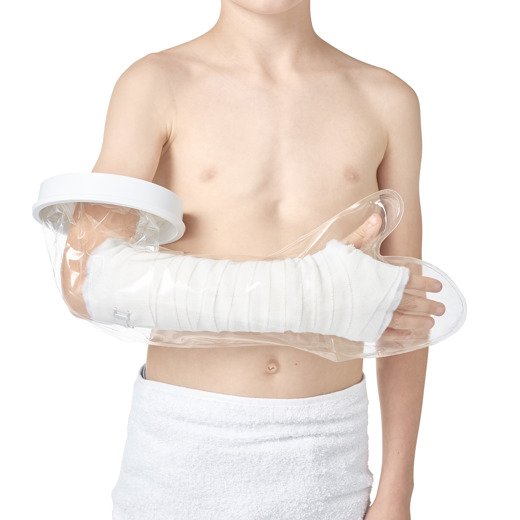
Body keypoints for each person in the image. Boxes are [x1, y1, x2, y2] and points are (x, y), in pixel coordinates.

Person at [89, 1, 433, 518]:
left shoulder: (386, 99)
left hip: (325, 452)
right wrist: (308, 290)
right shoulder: (157, 84)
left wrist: (397, 489)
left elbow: (407, 314)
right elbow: (93, 276)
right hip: (183, 446)